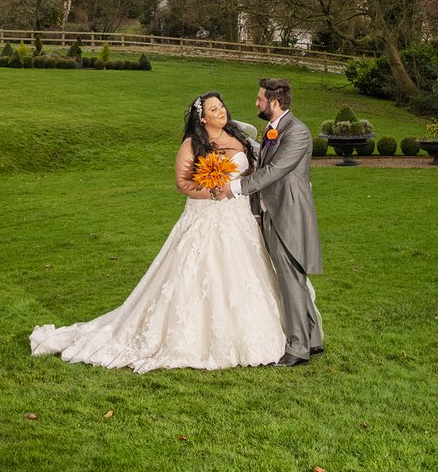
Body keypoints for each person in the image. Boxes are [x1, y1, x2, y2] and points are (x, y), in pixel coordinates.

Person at [29, 91, 287, 373]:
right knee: (199, 272)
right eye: (214, 109)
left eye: (221, 106)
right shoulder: (192, 144)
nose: (221, 111)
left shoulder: (239, 137)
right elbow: (183, 184)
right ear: (202, 118)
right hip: (205, 217)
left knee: (245, 273)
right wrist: (212, 192)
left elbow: (250, 175)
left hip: (237, 217)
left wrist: (249, 203)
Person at [213, 77, 324, 366]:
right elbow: (263, 162)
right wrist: (257, 211)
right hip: (272, 212)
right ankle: (313, 339)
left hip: (289, 213)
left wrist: (235, 188)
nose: (256, 102)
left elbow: (274, 170)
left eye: (260, 99)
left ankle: (298, 348)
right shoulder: (274, 130)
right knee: (293, 279)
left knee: (290, 280)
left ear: (274, 103)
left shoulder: (297, 132)